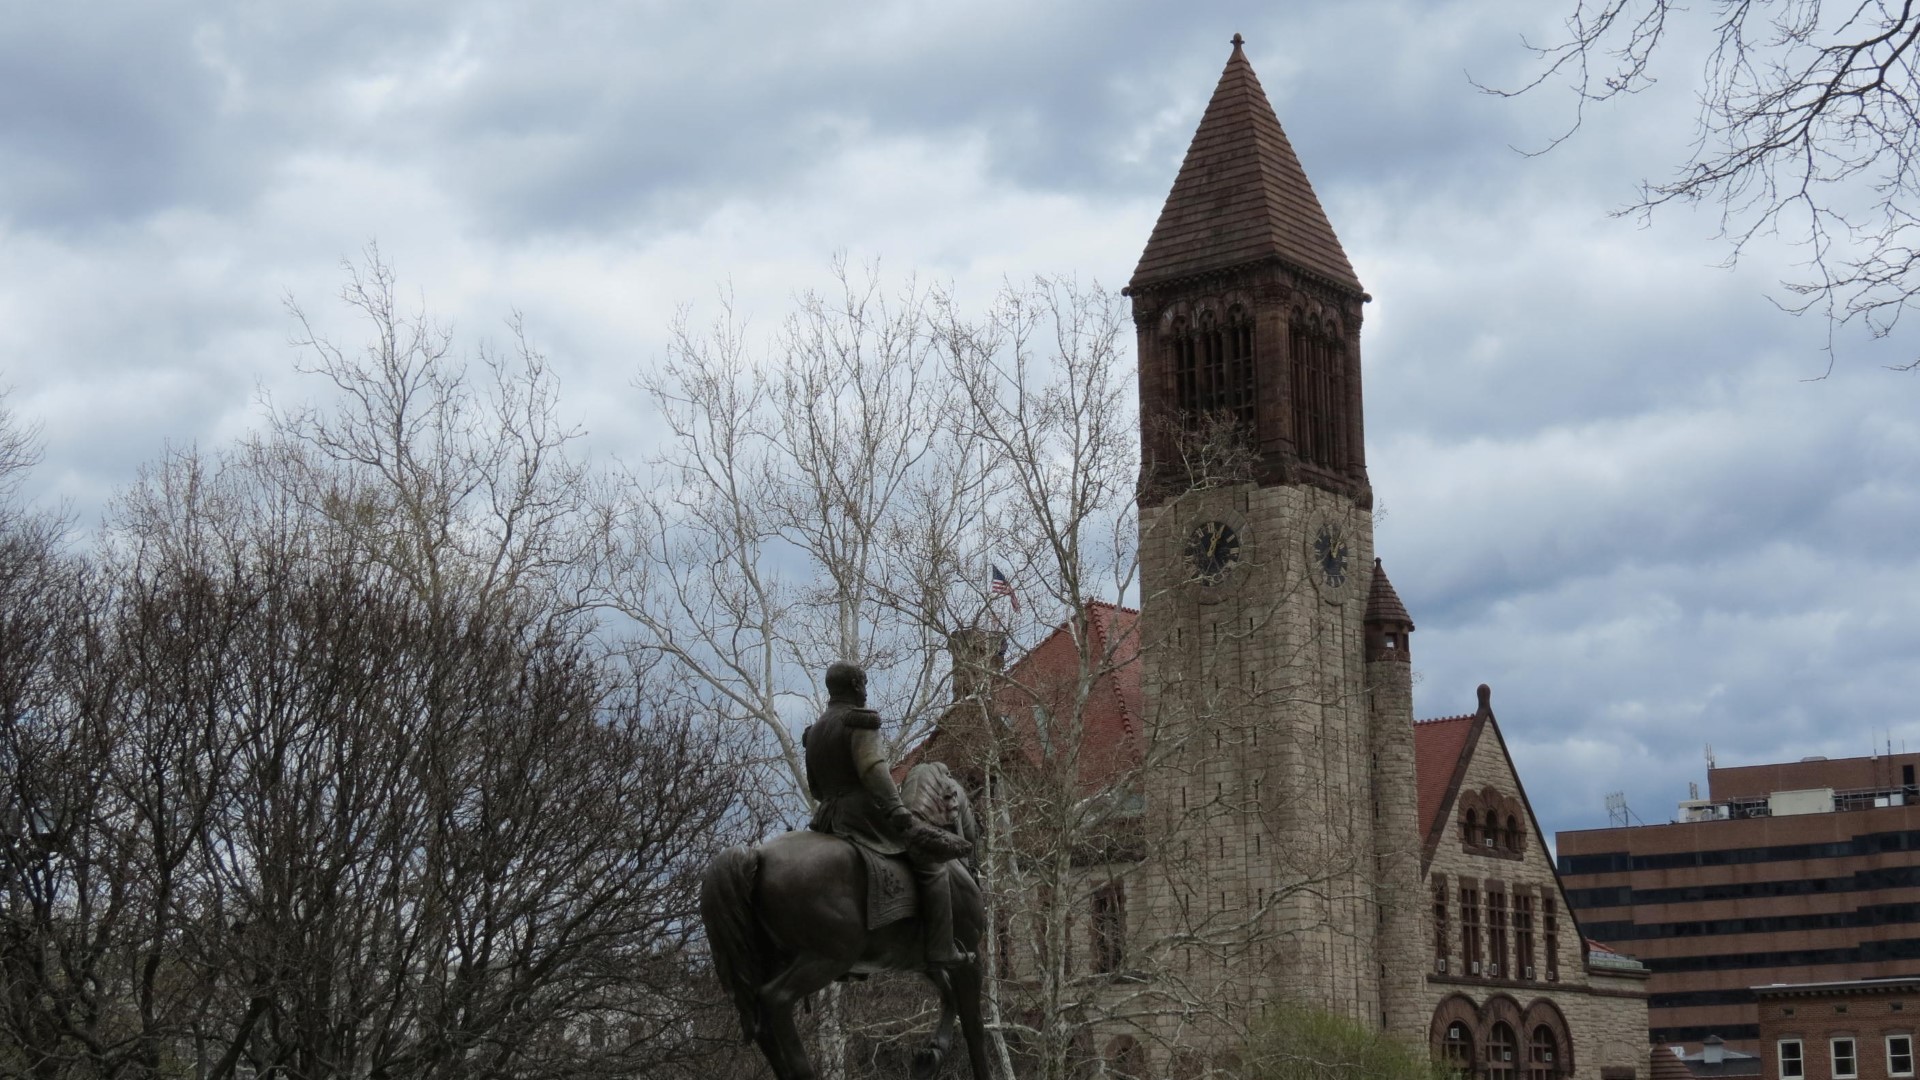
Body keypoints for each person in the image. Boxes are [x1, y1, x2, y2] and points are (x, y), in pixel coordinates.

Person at [802, 661, 972, 966]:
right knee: (931, 863)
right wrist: (899, 813)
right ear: (856, 686)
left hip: (826, 818)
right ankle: (940, 948)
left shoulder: (815, 731)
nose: (866, 691)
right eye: (864, 683)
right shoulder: (859, 722)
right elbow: (873, 770)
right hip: (861, 816)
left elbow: (815, 788)